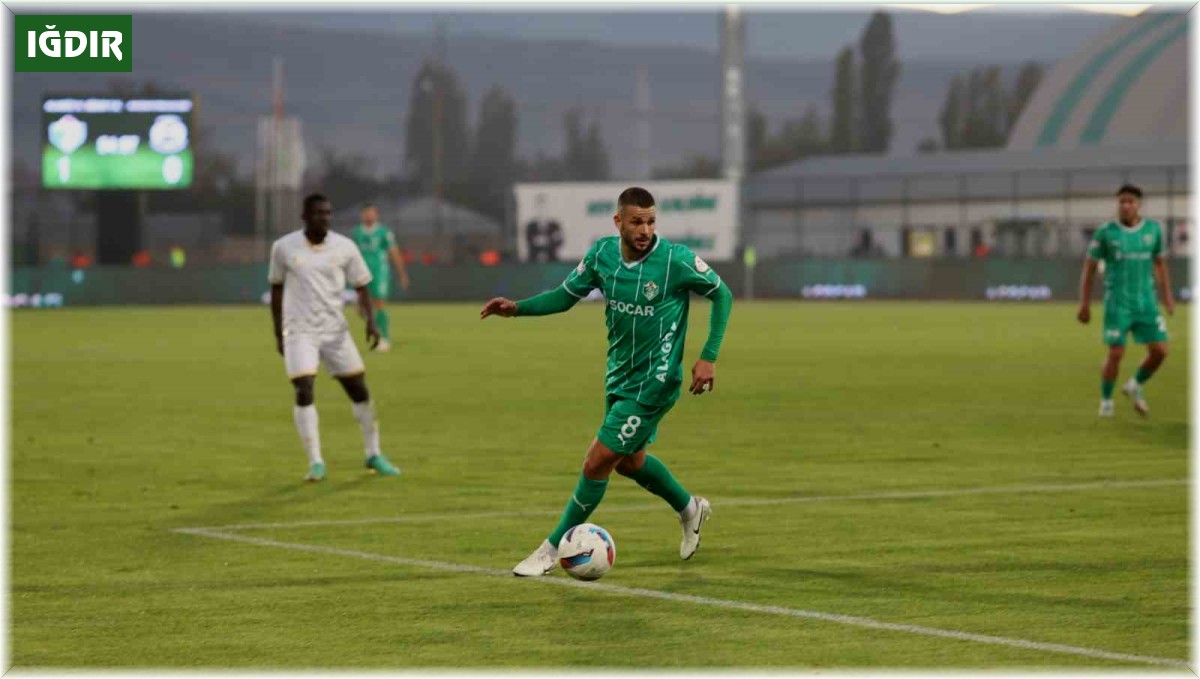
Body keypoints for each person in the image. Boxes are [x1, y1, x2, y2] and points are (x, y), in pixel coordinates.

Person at [481, 186, 734, 577]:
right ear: (618, 222)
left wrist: (709, 356)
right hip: (619, 377)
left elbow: (723, 294)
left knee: (597, 460)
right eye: (636, 221)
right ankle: (690, 508)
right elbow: (565, 296)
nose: (645, 229)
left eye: (650, 221)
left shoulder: (675, 260)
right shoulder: (602, 255)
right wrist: (517, 309)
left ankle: (549, 550)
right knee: (629, 463)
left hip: (656, 381)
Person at [269, 194, 402, 481]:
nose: (325, 218)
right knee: (304, 387)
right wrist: (277, 332)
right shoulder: (283, 247)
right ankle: (315, 461)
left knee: (359, 390)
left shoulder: (344, 246)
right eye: (318, 213)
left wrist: (370, 322)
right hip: (300, 331)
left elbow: (363, 285)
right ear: (305, 215)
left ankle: (373, 453)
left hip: (335, 331)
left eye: (328, 213)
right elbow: (277, 290)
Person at [1077, 184, 1174, 417]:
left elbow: (1160, 263)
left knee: (1160, 351)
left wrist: (1168, 297)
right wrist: (1085, 304)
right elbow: (1089, 268)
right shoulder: (1106, 232)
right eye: (1122, 201)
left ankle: (1134, 385)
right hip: (1117, 303)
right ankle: (1106, 402)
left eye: (1130, 201)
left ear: (1139, 204)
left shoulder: (1153, 230)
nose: (1126, 205)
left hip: (1146, 303)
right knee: (1116, 353)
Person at [351, 204, 411, 353]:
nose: (369, 216)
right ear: (362, 215)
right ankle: (374, 331)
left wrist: (402, 274)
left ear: (376, 215)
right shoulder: (357, 232)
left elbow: (394, 252)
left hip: (379, 272)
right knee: (362, 309)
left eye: (371, 213)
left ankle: (384, 338)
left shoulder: (384, 232)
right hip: (361, 273)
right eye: (366, 213)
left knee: (379, 303)